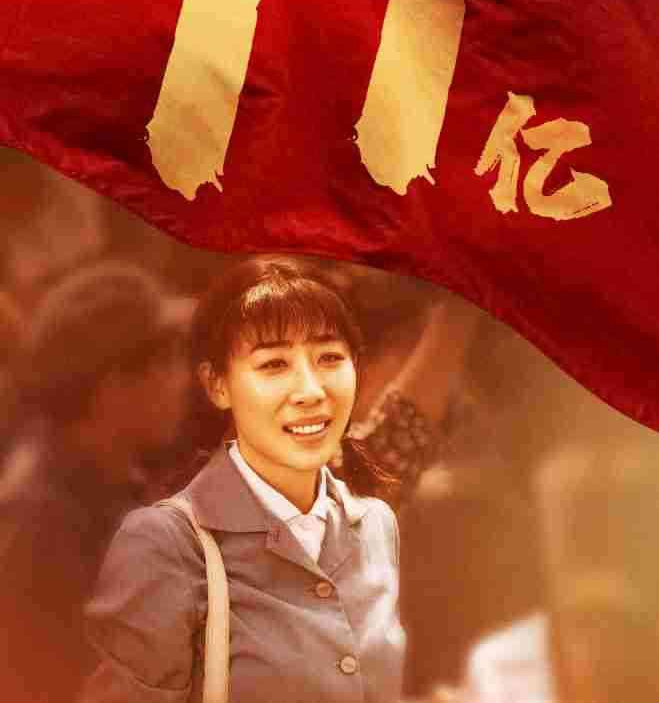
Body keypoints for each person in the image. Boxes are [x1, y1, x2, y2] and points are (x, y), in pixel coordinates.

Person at [84, 255, 406, 703]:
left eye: (330, 357)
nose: (311, 391)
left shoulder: (374, 525)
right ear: (217, 384)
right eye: (274, 364)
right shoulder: (166, 545)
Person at [0, 264, 191, 703]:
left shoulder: (116, 482)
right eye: (166, 362)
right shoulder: (41, 527)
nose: (183, 381)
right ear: (113, 387)